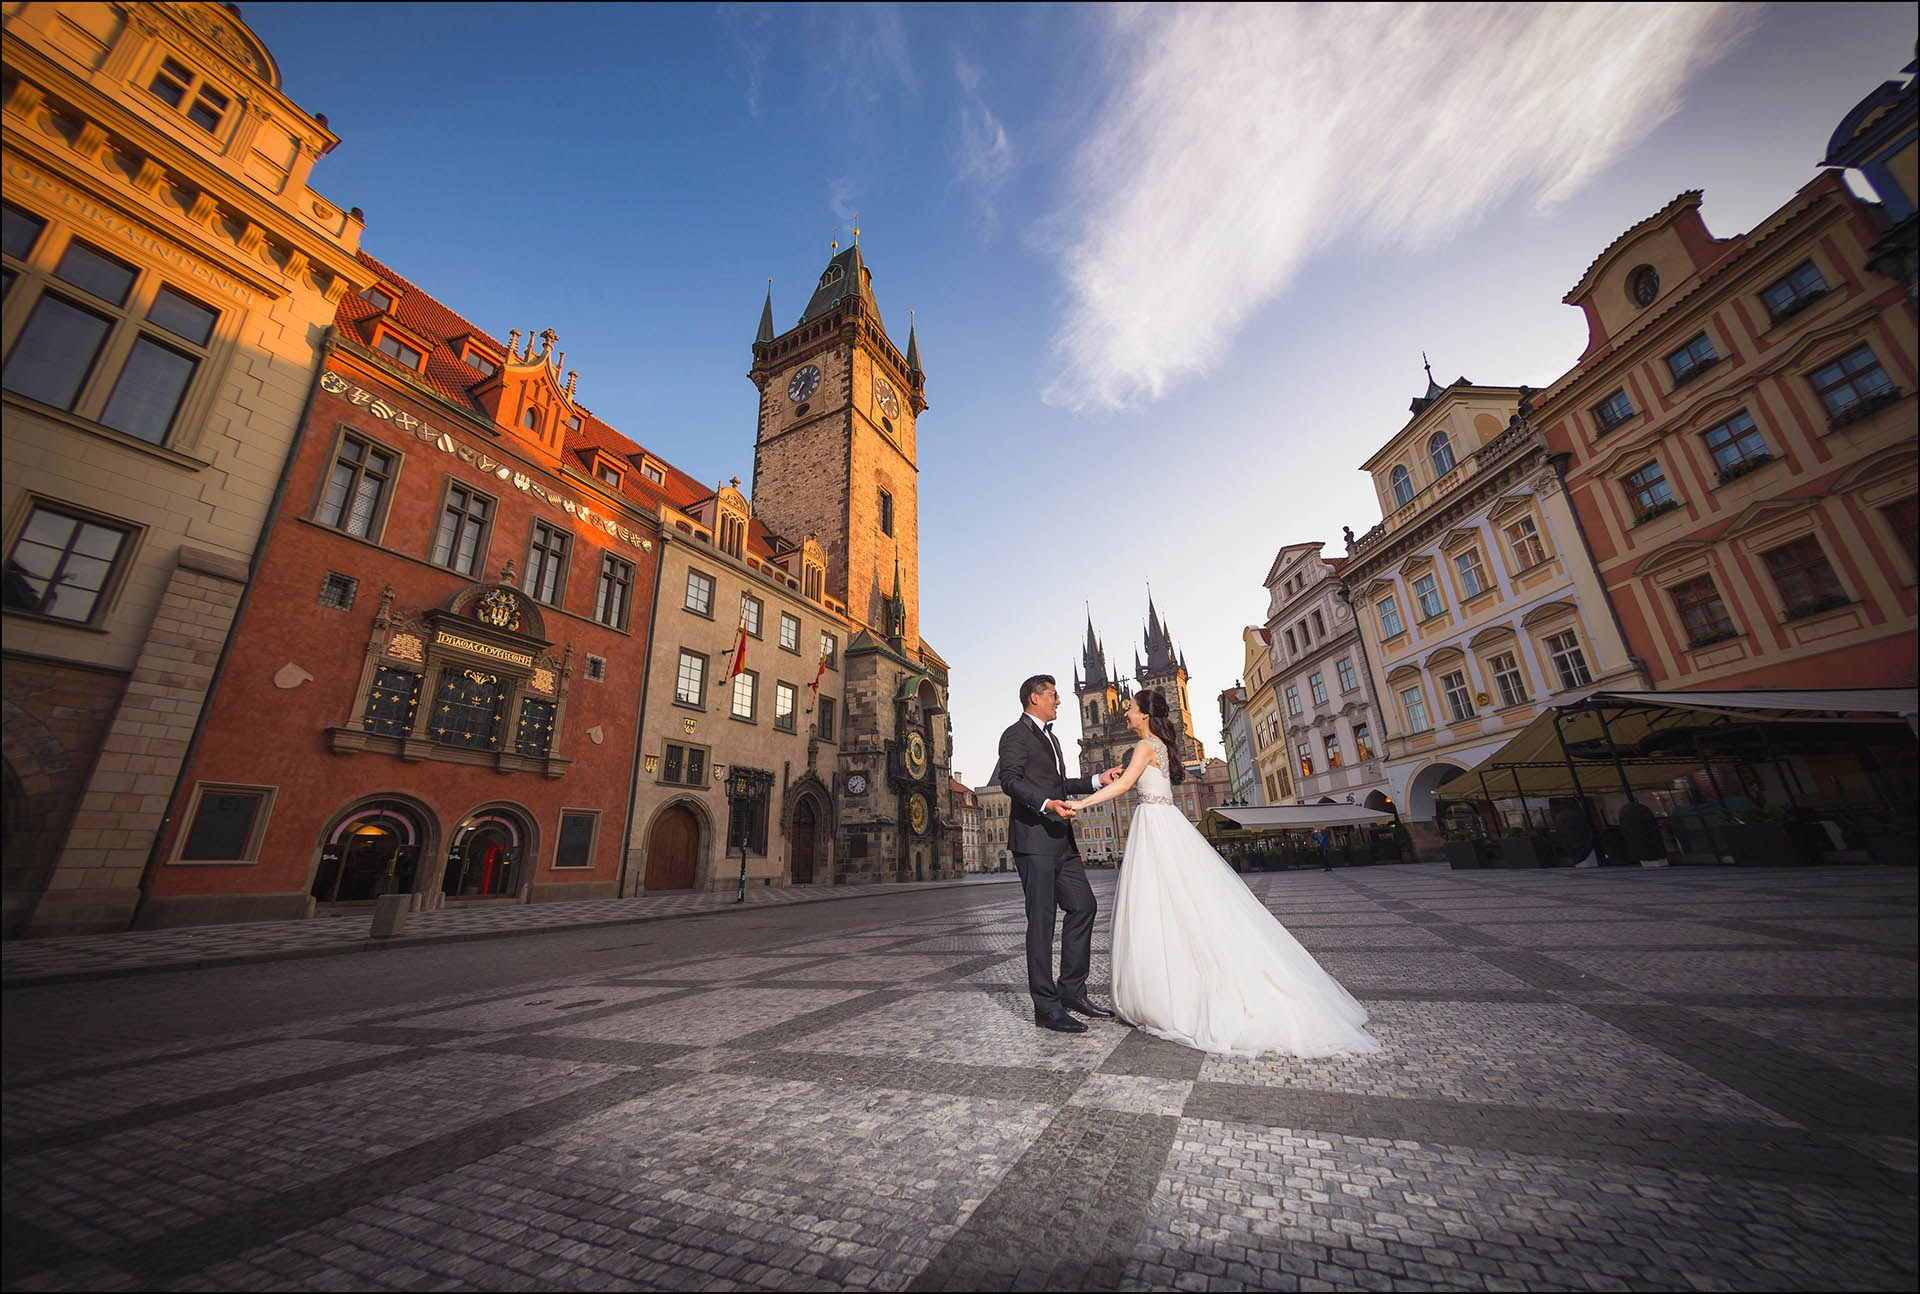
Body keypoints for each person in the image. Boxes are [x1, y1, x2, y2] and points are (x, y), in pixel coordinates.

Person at [1071, 688, 1381, 1058]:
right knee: (1181, 904)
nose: (1125, 714)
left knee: (1157, 906)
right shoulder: (1160, 747)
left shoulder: (1143, 747)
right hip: (1166, 824)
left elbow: (1123, 786)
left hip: (1153, 826)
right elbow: (1134, 779)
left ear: (1144, 715)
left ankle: (1168, 994)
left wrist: (1080, 804)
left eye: (1131, 709)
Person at [996, 674, 1124, 1034]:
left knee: (1084, 905)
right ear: (1034, 698)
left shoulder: (1051, 739)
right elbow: (1010, 780)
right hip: (1034, 840)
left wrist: (1098, 780)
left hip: (1061, 841)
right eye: (1052, 694)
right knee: (1041, 923)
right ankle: (1046, 1007)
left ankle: (1071, 991)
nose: (1058, 700)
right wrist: (1044, 803)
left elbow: (1060, 785)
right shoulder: (1016, 734)